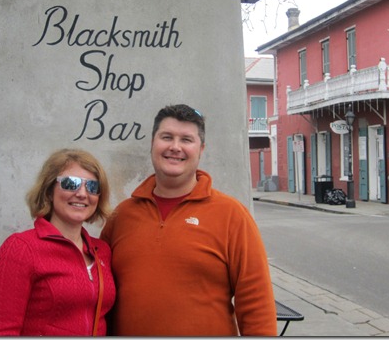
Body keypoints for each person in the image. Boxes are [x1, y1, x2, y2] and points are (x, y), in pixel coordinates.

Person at [100, 104, 277, 336]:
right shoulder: (121, 216)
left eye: (186, 139)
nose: (175, 147)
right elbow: (100, 293)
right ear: (152, 143)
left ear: (201, 149)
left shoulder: (232, 216)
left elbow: (257, 306)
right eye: (166, 137)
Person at [0, 149, 115, 336]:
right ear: (49, 191)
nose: (82, 194)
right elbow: (0, 333)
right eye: (71, 183)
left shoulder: (101, 250)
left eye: (92, 187)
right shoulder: (20, 248)